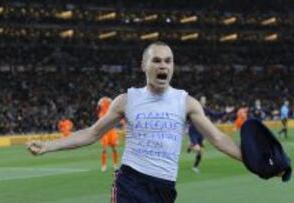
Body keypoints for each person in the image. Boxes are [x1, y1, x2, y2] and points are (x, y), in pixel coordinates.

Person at [27, 41, 242, 203]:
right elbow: (92, 133)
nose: (163, 66)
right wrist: (48, 146)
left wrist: (251, 160)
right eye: (156, 60)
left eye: (168, 61)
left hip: (164, 187)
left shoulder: (186, 102)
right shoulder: (126, 100)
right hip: (130, 183)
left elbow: (217, 138)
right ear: (144, 65)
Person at [97, 96, 119, 171]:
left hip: (112, 131)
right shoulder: (101, 114)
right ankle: (104, 165)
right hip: (105, 132)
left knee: (114, 149)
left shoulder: (112, 113)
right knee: (104, 149)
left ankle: (115, 164)